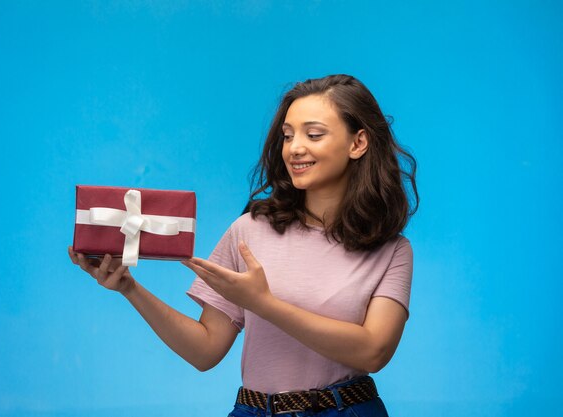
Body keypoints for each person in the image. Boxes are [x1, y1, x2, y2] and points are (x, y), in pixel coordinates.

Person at [68, 74, 418, 417]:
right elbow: (205, 351)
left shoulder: (392, 251)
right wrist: (130, 288)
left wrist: (262, 304)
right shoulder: (249, 230)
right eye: (287, 135)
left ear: (358, 143)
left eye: (313, 134)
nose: (295, 148)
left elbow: (374, 351)